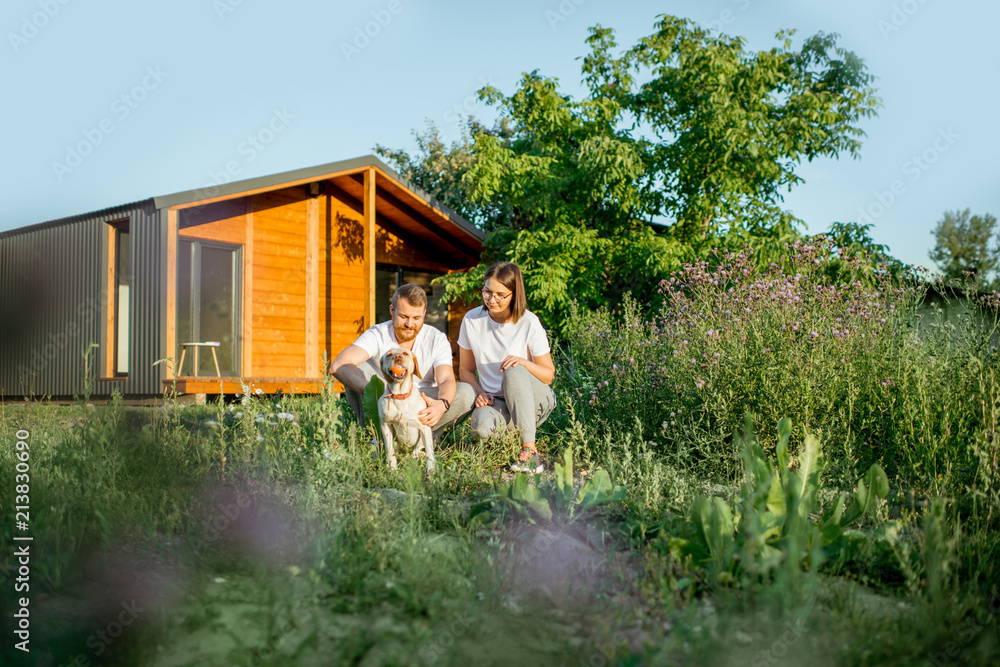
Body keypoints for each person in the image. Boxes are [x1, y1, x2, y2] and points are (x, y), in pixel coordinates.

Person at [329, 283, 474, 440]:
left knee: (466, 392)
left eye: (417, 318)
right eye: (404, 317)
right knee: (358, 368)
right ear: (392, 311)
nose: (410, 324)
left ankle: (422, 441)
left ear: (424, 313)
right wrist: (374, 391)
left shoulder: (436, 338)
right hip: (385, 403)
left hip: (421, 403)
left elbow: (446, 379)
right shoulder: (377, 334)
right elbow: (338, 365)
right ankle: (377, 438)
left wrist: (441, 404)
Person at [458, 261, 556, 473]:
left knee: (513, 368)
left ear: (514, 294)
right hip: (497, 403)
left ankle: (530, 450)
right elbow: (465, 370)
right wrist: (480, 392)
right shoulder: (471, 320)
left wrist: (524, 363)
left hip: (534, 399)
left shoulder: (529, 322)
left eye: (500, 295)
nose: (492, 300)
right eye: (487, 292)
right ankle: (515, 428)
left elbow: (548, 376)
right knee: (481, 429)